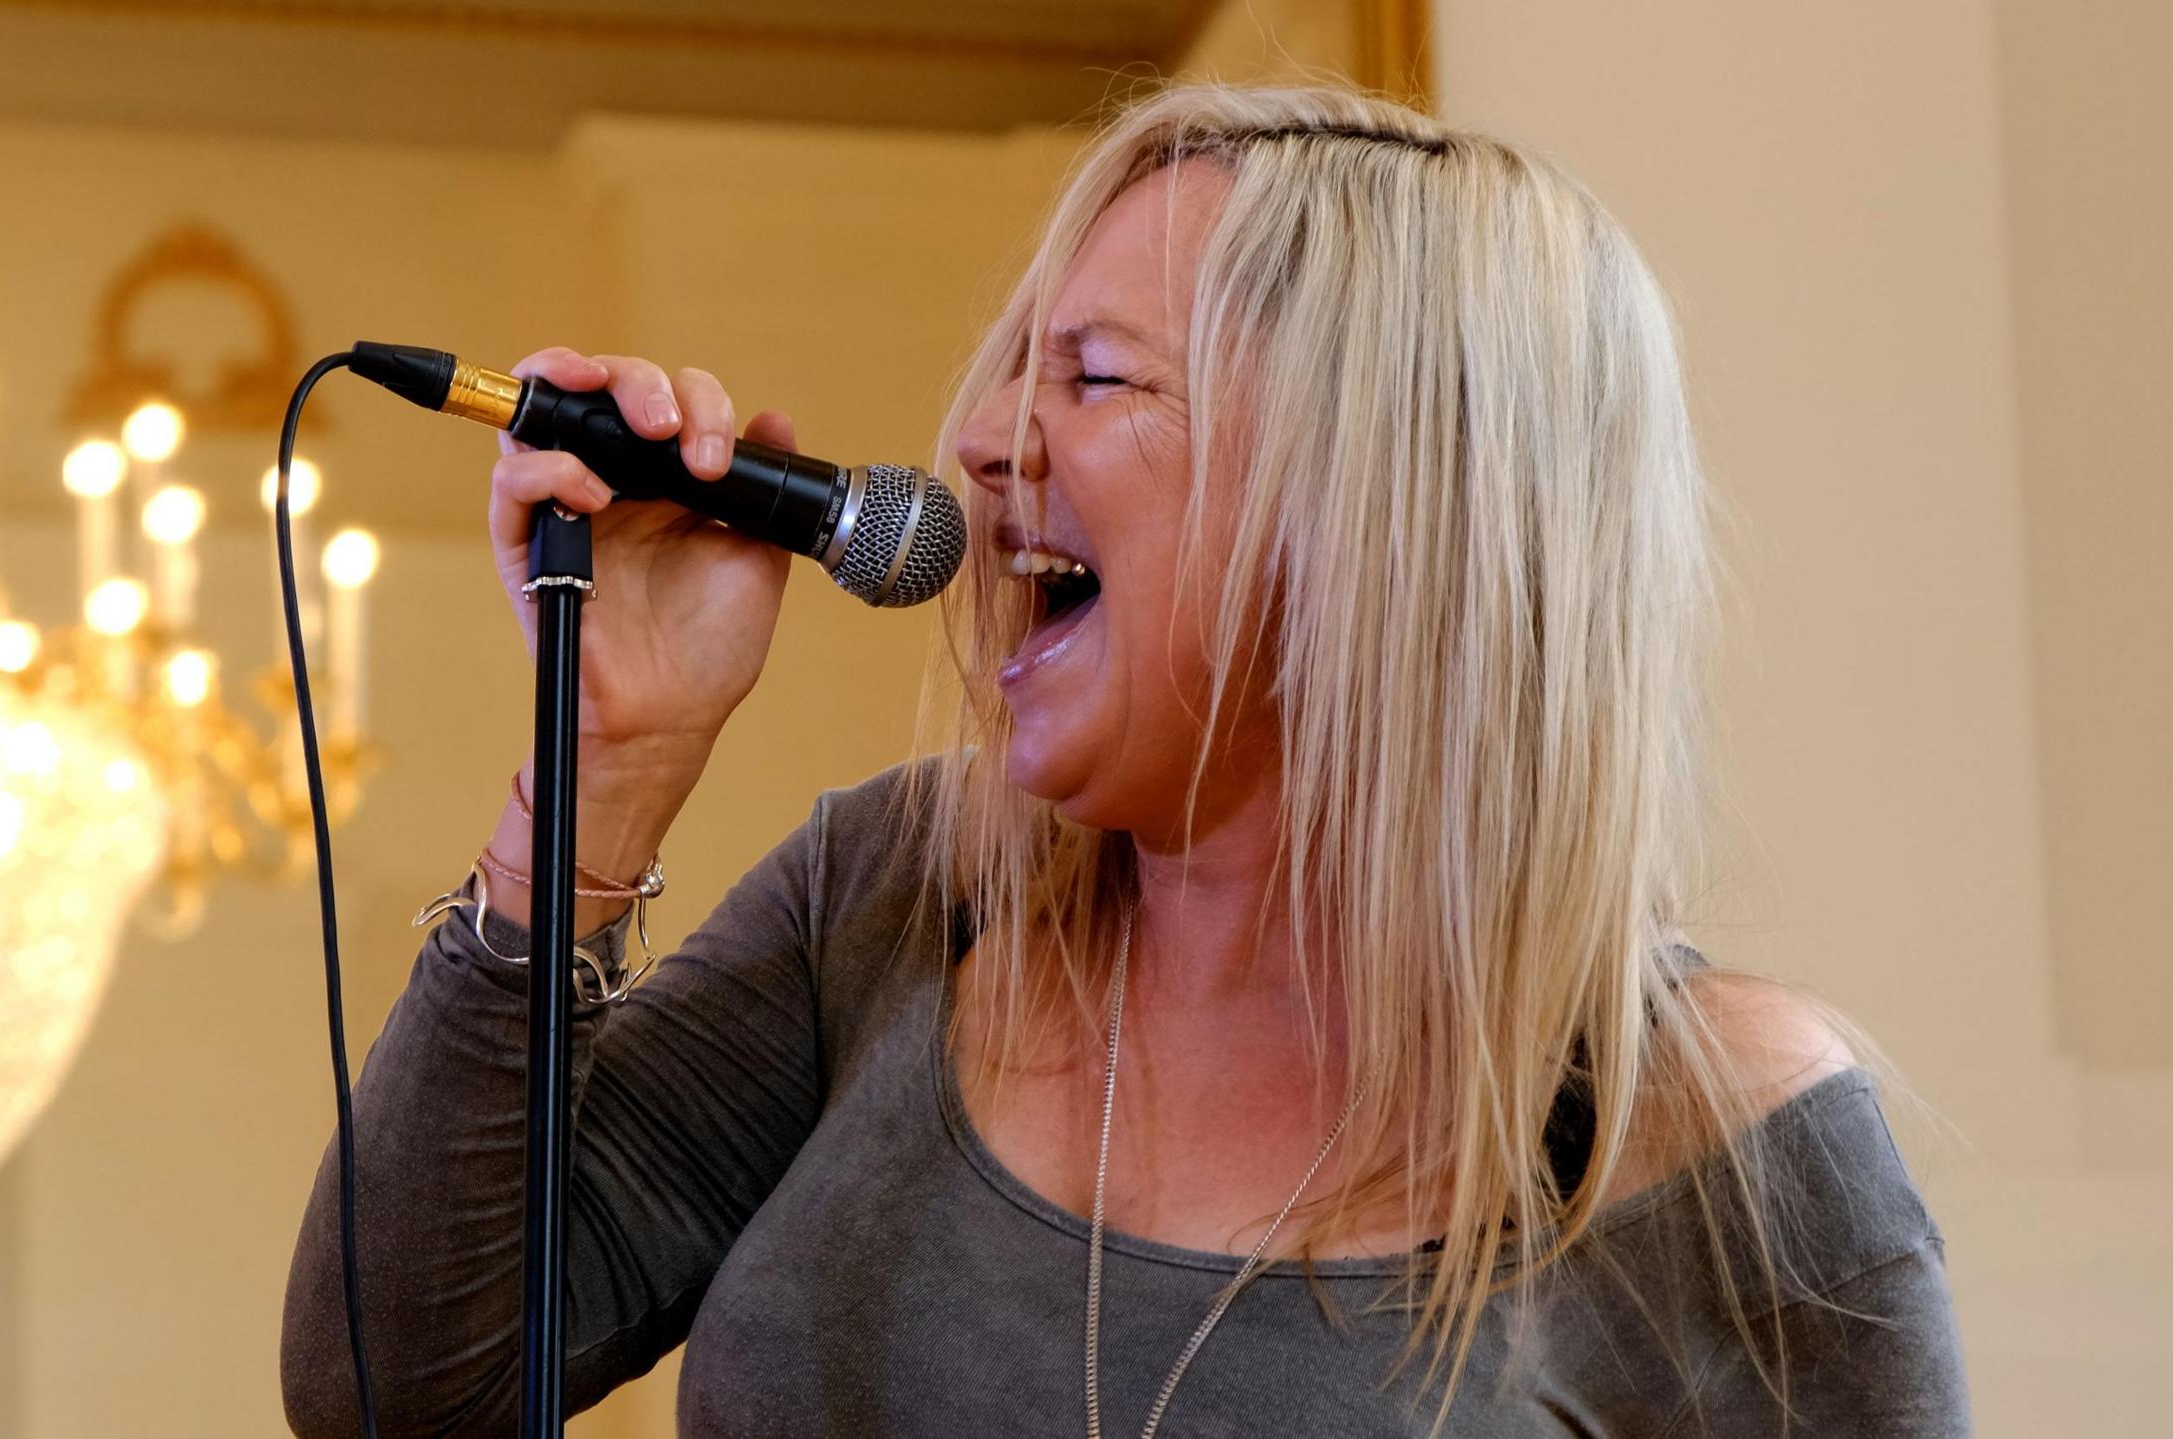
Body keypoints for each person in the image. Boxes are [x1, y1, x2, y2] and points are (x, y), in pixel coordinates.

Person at [282, 83, 1966, 1437]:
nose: (982, 438)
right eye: (1020, 365)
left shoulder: (1711, 1128)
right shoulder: (890, 903)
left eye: (1095, 376)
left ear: (1387, 503)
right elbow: (390, 1385)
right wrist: (609, 762)